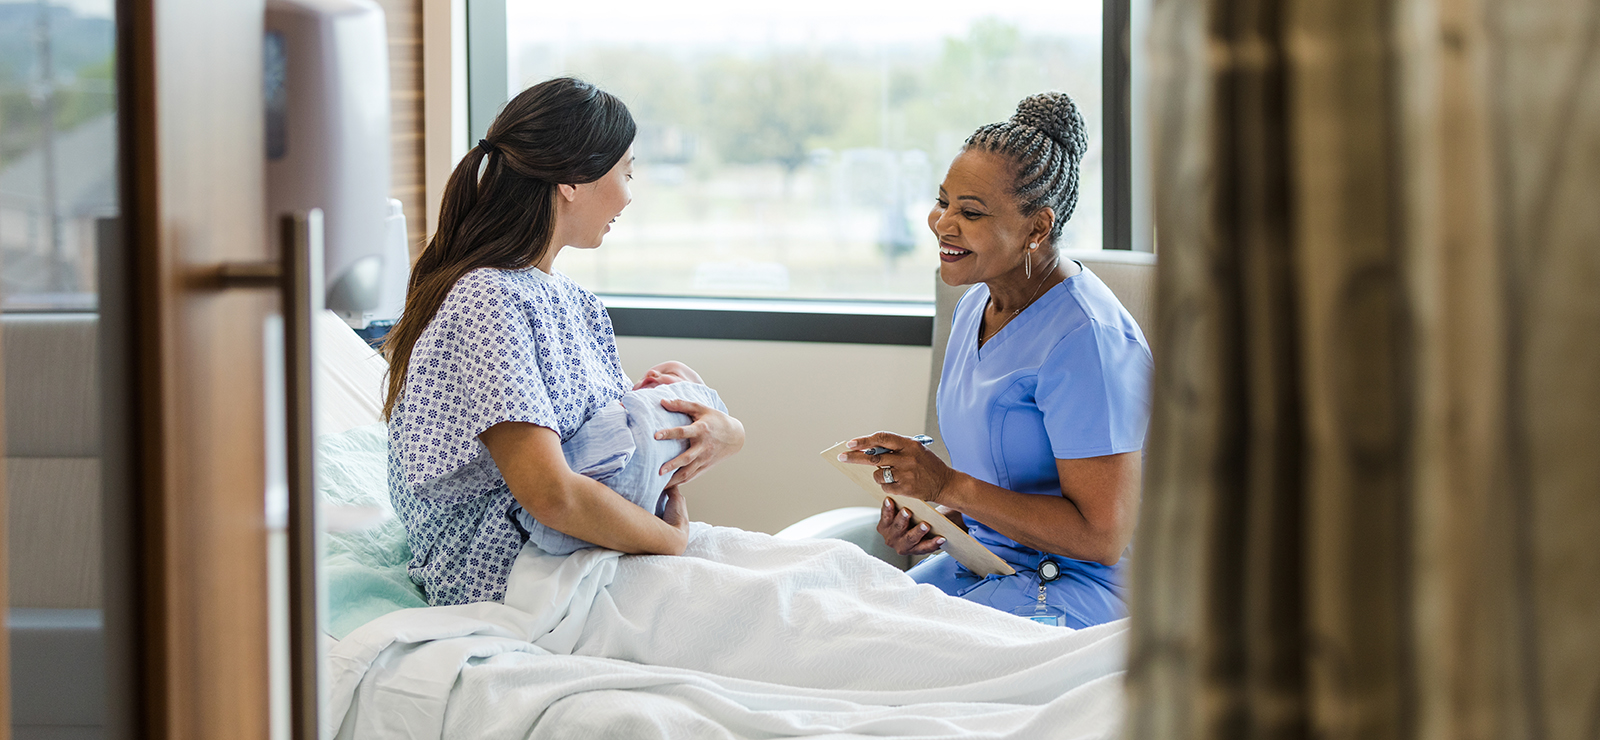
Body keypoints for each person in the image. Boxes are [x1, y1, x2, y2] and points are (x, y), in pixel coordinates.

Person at [382, 78, 745, 606]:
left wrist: (725, 432)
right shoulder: (487, 299)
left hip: (581, 553)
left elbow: (611, 446)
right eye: (626, 172)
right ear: (572, 180)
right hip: (512, 575)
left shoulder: (577, 303)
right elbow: (552, 495)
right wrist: (669, 540)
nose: (628, 194)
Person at [838, 91, 1152, 629]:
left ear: (1037, 228)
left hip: (1076, 590)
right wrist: (935, 518)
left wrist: (946, 486)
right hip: (985, 565)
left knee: (887, 654)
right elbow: (1006, 489)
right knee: (843, 627)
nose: (942, 223)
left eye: (970, 212)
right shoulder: (975, 306)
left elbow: (1101, 537)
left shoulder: (1088, 341)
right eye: (942, 202)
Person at [526, 363, 728, 556]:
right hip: (568, 505)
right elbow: (552, 499)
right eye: (645, 375)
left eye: (672, 374)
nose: (652, 373)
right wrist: (672, 540)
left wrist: (733, 433)